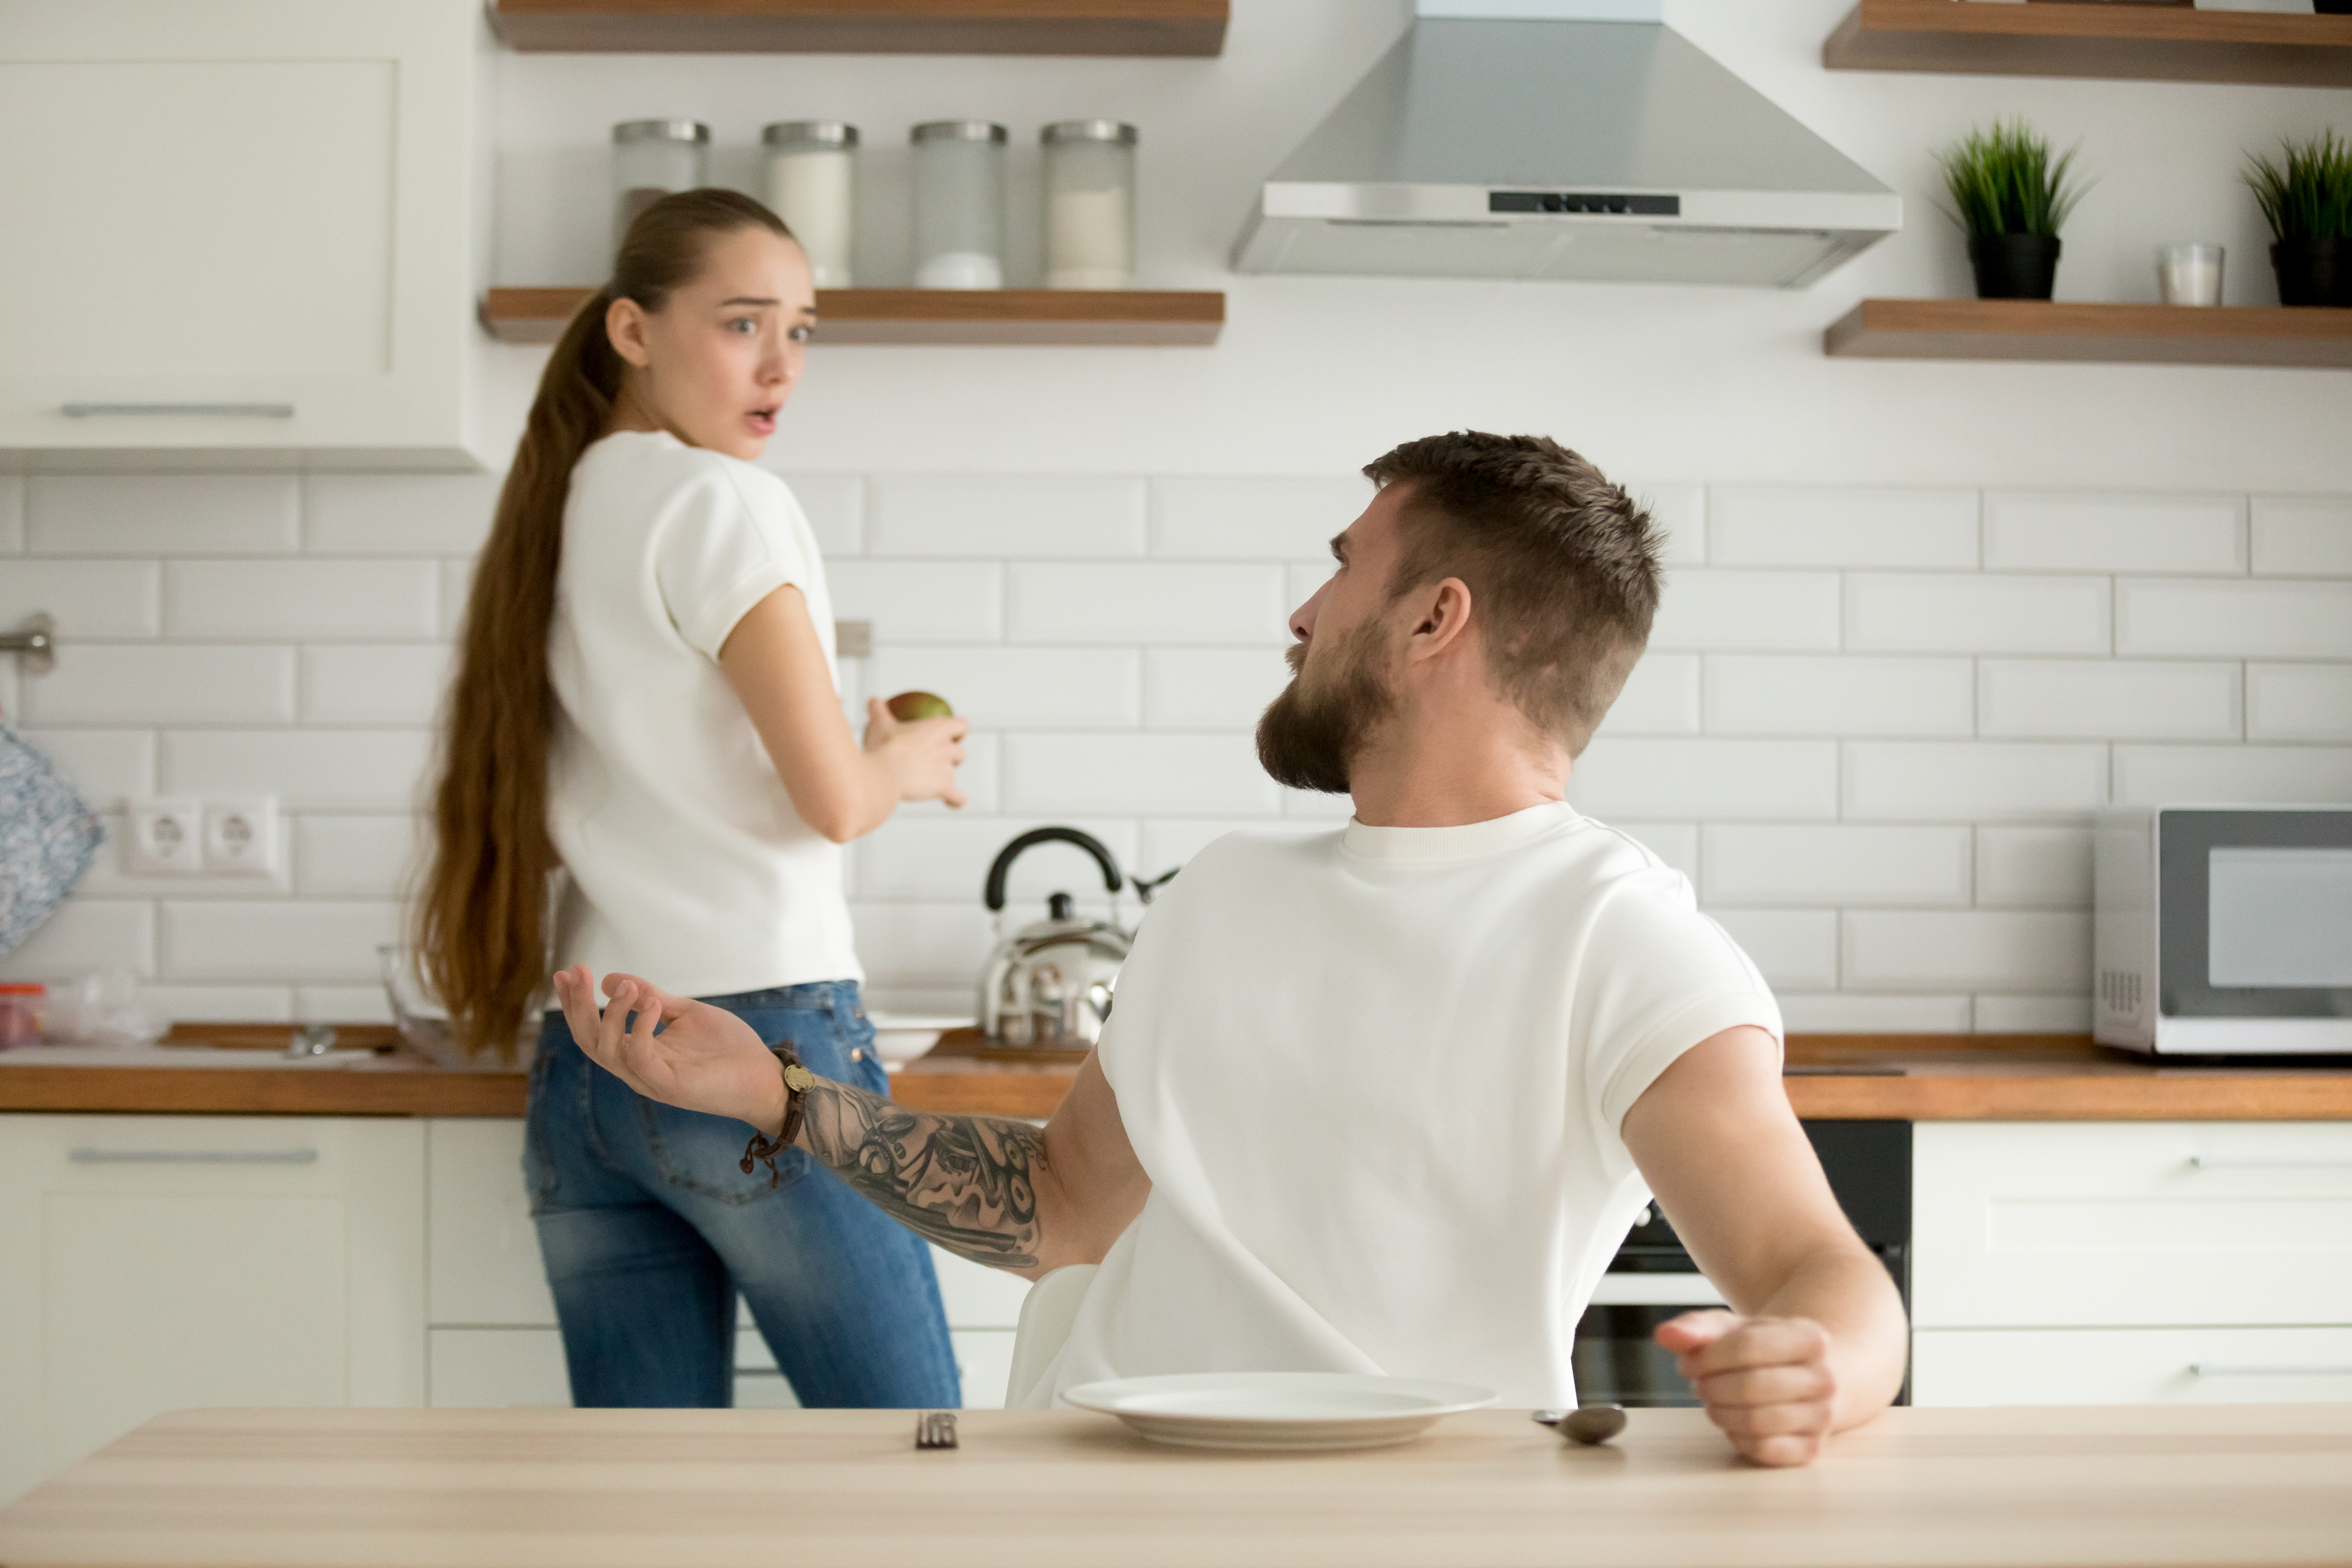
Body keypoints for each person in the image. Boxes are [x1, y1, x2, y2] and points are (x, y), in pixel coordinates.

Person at [550, 432, 1911, 1465]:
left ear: (1437, 618)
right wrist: (778, 1097)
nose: (1304, 617)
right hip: (1095, 1506)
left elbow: (1823, 1276)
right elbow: (1061, 1205)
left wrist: (1820, 1369)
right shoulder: (1223, 891)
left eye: (1340, 568)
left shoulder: (1620, 934)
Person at [413, 190, 970, 1410]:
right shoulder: (722, 501)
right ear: (631, 330)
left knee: (635, 1510)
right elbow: (833, 798)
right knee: (912, 1461)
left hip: (589, 1064)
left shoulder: (558, 515)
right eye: (742, 323)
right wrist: (908, 766)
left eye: (803, 330)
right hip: (755, 1047)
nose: (782, 365)